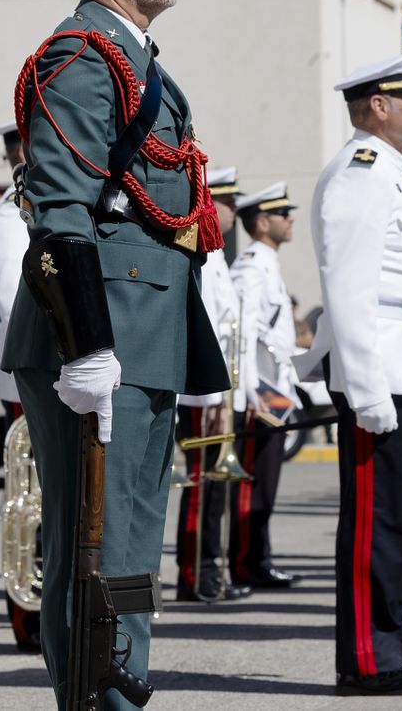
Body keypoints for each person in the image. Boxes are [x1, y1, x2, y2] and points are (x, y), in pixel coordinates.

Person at [2, 0, 229, 708]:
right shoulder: (82, 56)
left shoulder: (133, 59)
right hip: (102, 332)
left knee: (130, 535)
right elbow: (60, 210)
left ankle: (117, 690)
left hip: (145, 327)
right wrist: (89, 344)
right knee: (92, 537)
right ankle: (96, 700)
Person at [312, 50, 402, 696]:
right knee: (380, 522)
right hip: (382, 373)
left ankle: (389, 652)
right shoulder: (361, 173)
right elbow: (349, 289)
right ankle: (371, 659)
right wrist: (368, 390)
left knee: (400, 518)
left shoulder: (389, 174)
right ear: (379, 106)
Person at [174, 166, 253, 603]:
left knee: (217, 485)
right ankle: (195, 571)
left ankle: (211, 568)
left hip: (221, 388)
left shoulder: (218, 254)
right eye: (228, 201)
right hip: (204, 390)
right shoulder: (200, 250)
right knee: (203, 482)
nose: (234, 210)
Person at [0, 122, 43, 650]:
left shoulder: (44, 202)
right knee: (29, 501)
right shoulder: (10, 216)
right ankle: (29, 616)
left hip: (55, 368)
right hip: (31, 369)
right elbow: (12, 299)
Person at [229, 183, 301, 589]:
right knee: (253, 486)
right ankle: (247, 562)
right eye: (282, 213)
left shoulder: (268, 263)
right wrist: (255, 392)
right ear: (261, 222)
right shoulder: (251, 266)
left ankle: (259, 558)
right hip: (262, 396)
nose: (290, 219)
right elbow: (242, 333)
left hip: (277, 393)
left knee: (267, 485)